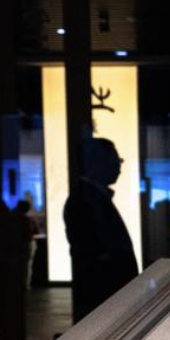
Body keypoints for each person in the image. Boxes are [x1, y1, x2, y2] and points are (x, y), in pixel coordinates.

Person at [64, 137, 139, 322]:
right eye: (115, 160)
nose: (119, 167)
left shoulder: (91, 198)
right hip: (103, 295)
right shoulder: (87, 200)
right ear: (96, 162)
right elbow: (94, 253)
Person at [15, 199, 39, 289]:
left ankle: (20, 283)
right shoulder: (29, 220)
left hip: (19, 243)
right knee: (27, 264)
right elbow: (36, 231)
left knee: (20, 265)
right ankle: (25, 284)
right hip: (28, 242)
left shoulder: (15, 220)